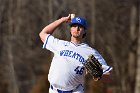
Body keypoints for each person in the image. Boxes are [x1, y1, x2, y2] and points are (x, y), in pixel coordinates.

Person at [39, 14, 112, 93]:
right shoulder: (60, 44)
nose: (77, 29)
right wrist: (62, 20)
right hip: (54, 90)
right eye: (74, 26)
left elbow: (108, 76)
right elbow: (43, 33)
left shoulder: (90, 52)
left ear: (84, 31)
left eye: (80, 27)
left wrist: (97, 74)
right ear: (70, 29)